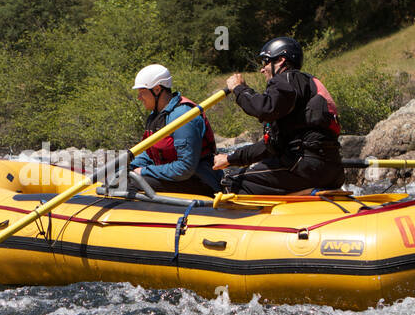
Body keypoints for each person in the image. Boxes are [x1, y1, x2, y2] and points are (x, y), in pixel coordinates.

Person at [214, 36, 345, 195]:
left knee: (231, 180)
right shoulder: (302, 88)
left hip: (303, 167)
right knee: (249, 171)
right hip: (331, 170)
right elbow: (270, 147)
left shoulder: (288, 78)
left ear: (281, 60)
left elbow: (265, 109)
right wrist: (230, 159)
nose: (262, 69)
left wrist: (239, 89)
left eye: (266, 62)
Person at [128, 64, 221, 196]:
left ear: (157, 89)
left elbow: (185, 168)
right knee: (123, 178)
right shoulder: (156, 116)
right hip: (176, 178)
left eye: (142, 92)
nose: (139, 98)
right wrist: (128, 166)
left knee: (131, 182)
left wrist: (143, 171)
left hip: (199, 181)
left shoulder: (183, 116)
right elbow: (150, 154)